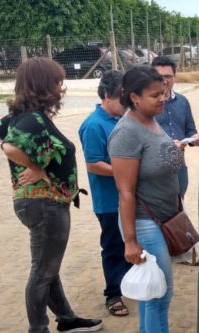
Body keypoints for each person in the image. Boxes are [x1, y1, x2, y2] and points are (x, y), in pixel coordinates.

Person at [0, 57, 103, 333]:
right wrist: (36, 168)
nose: (61, 86)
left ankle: (66, 318)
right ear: (43, 84)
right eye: (57, 80)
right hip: (44, 204)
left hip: (41, 203)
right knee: (42, 271)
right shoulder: (33, 119)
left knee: (49, 267)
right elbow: (9, 145)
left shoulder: (25, 115)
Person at [109, 65, 196, 333]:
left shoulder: (152, 120)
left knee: (152, 288)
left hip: (163, 216)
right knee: (161, 295)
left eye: (164, 92)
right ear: (133, 97)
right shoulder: (126, 133)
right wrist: (130, 240)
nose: (163, 99)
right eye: (155, 95)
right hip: (145, 224)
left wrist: (178, 150)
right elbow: (126, 192)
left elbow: (164, 167)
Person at [78, 71, 131, 317]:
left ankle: (129, 283)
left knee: (130, 242)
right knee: (112, 245)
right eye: (123, 99)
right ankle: (113, 293)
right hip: (109, 200)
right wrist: (124, 173)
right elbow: (93, 163)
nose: (126, 104)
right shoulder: (93, 125)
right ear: (108, 95)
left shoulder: (123, 119)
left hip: (127, 195)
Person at [151, 56, 199, 266]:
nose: (164, 81)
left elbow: (190, 128)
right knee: (157, 208)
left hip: (178, 165)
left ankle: (176, 247)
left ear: (175, 76)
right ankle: (162, 251)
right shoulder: (147, 104)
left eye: (168, 76)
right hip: (154, 167)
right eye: (159, 77)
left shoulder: (183, 102)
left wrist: (194, 138)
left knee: (178, 205)